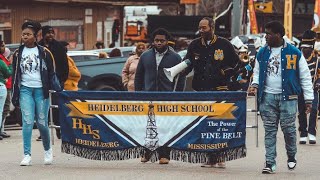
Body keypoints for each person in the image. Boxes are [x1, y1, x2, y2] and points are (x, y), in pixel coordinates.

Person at [248, 21, 314, 174]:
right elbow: (257, 72)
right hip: (267, 97)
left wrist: (308, 100)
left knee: (289, 130)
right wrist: (255, 84)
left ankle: (291, 156)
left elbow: (305, 77)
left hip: (289, 98)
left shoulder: (294, 52)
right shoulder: (262, 52)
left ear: (278, 35)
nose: (266, 36)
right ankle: (270, 162)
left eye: (269, 33)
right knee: (270, 131)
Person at [184, 17, 240, 168]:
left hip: (219, 90)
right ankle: (209, 157)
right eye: (200, 28)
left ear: (212, 27)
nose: (201, 31)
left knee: (219, 125)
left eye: (204, 28)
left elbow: (236, 63)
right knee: (204, 125)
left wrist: (225, 72)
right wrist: (179, 70)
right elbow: (188, 63)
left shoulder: (224, 44)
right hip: (200, 91)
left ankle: (220, 156)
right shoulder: (195, 45)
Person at [134, 28, 186, 164]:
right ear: (153, 41)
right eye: (156, 40)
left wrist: (178, 95)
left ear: (167, 41)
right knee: (146, 126)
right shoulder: (145, 56)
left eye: (162, 41)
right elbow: (139, 76)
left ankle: (164, 155)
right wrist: (138, 94)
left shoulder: (175, 57)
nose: (158, 43)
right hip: (147, 97)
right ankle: (146, 153)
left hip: (167, 97)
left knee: (165, 127)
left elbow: (181, 78)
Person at [12, 21, 55, 165]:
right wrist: (15, 94)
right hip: (25, 90)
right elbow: (15, 74)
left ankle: (47, 150)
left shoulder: (44, 52)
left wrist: (54, 88)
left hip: (40, 91)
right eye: (23, 34)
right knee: (27, 122)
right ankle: (27, 155)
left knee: (42, 123)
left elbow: (51, 72)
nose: (25, 37)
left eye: (28, 34)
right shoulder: (18, 53)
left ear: (36, 36)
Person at [38, 25, 69, 140]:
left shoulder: (58, 46)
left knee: (57, 107)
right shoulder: (39, 46)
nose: (50, 35)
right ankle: (43, 132)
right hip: (42, 82)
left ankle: (59, 129)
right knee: (43, 107)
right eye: (48, 33)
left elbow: (64, 64)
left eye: (52, 33)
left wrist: (62, 80)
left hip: (56, 81)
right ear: (43, 34)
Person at [297, 30, 320, 145]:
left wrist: (318, 82)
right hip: (301, 89)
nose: (304, 50)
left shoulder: (317, 59)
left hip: (314, 88)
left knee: (314, 110)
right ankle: (303, 133)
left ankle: (312, 133)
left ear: (311, 48)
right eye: (303, 47)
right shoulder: (298, 58)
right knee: (301, 111)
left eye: (307, 48)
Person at [0, 41, 12, 141]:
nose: (5, 48)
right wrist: (11, 65)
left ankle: (2, 129)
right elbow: (8, 72)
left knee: (4, 109)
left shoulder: (3, 58)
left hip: (6, 86)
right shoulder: (1, 59)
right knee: (3, 109)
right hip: (4, 86)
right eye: (3, 45)